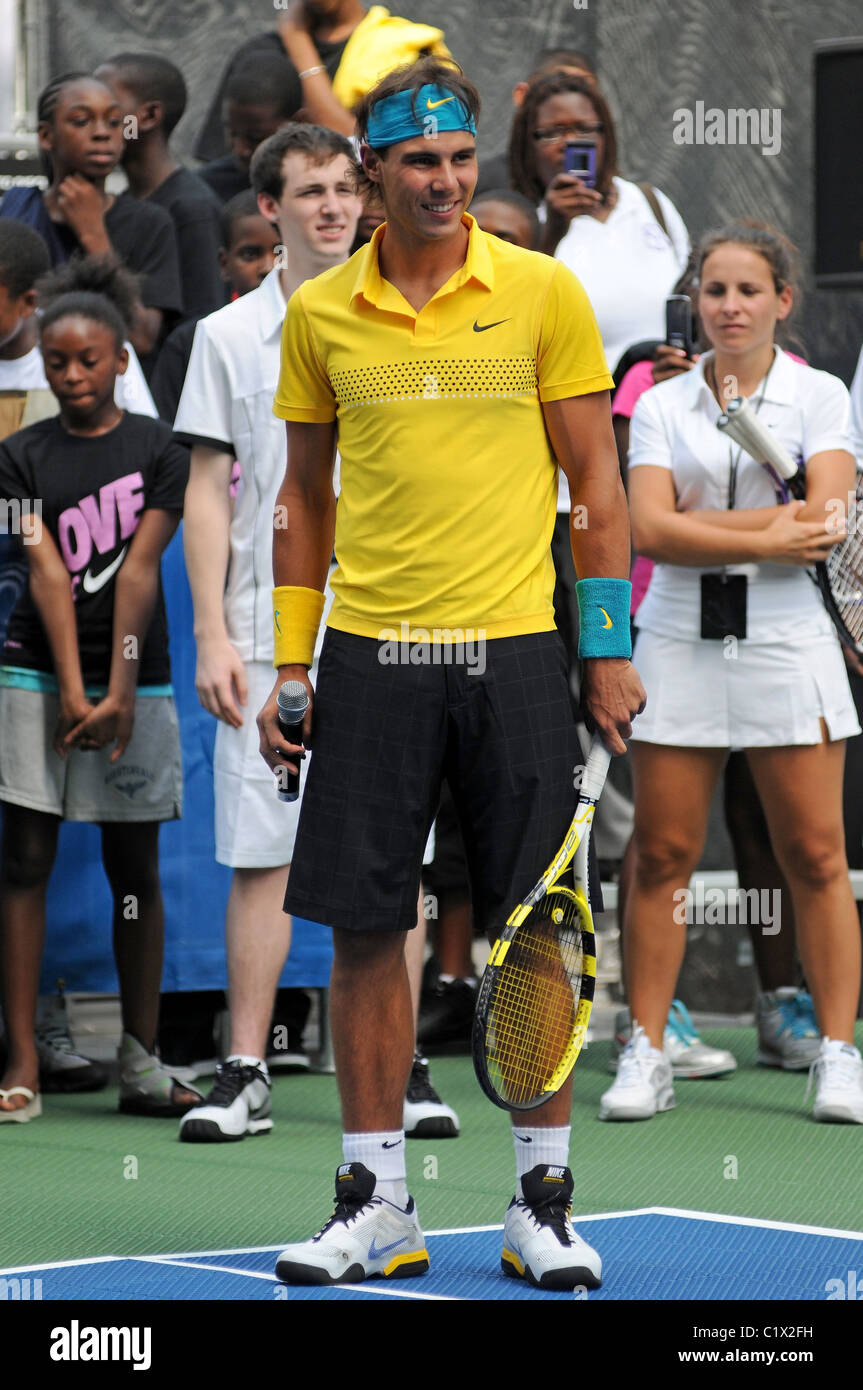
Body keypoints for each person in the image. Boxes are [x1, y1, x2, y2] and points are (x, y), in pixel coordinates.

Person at [258, 56, 644, 1289]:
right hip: (370, 658)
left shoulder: (539, 293)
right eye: (416, 161)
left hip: (518, 653)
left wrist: (608, 647)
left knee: (533, 928)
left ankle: (539, 1204)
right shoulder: (317, 314)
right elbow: (299, 502)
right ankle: (376, 1200)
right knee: (369, 927)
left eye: (460, 157)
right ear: (369, 174)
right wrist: (287, 662)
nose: (443, 179)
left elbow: (594, 483)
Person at [601, 221, 863, 1124]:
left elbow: (825, 522)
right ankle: (644, 1048)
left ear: (782, 301)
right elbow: (650, 531)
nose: (730, 307)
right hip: (675, 635)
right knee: (663, 855)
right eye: (714, 291)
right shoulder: (662, 403)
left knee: (816, 855)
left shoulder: (820, 396)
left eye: (748, 291)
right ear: (695, 303)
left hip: (790, 642)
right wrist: (767, 535)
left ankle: (837, 1051)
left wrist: (723, 535)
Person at [0, 261, 198, 1121]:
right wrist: (76, 692)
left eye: (87, 360)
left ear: (122, 359)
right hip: (31, 674)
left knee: (134, 868)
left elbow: (141, 572)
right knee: (24, 862)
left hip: (138, 682)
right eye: (55, 362)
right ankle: (21, 1062)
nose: (71, 376)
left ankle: (142, 1060)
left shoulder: (162, 451)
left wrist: (117, 689)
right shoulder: (13, 459)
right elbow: (42, 570)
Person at [509, 72, 689, 378]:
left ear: (605, 136)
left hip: (662, 395)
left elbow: (690, 289)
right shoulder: (519, 221)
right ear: (528, 144)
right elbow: (516, 321)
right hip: (581, 403)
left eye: (583, 129)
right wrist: (553, 229)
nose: (569, 143)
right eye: (551, 133)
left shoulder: (650, 202)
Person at [0, 74, 182, 367]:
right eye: (82, 121)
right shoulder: (17, 206)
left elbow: (142, 338)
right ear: (46, 136)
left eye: (113, 122)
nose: (102, 133)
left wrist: (93, 235)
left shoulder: (150, 222)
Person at [195, 1, 451, 156]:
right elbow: (224, 160)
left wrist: (295, 36)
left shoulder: (404, 50)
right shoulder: (257, 54)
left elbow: (357, 148)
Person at [94, 53, 225, 321]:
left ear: (150, 115)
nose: (97, 124)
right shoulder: (123, 202)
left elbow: (202, 321)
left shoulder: (193, 208)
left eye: (110, 109)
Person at [150, 190, 280, 425]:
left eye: (281, 253)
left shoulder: (316, 331)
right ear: (224, 264)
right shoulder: (190, 342)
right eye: (250, 255)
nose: (267, 267)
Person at [475, 48, 597, 196]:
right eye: (552, 132)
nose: (570, 140)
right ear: (522, 95)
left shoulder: (623, 197)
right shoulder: (491, 187)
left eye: (584, 93)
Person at [196, 57, 303, 206]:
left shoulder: (325, 185)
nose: (241, 150)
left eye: (255, 138)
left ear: (298, 123)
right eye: (232, 133)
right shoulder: (206, 189)